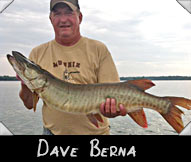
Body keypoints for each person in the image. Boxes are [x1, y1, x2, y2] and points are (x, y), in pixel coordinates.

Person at [18, 0, 127, 135]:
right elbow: (29, 104)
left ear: (79, 17)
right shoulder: (37, 53)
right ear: (51, 19)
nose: (63, 19)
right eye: (57, 14)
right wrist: (25, 83)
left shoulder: (99, 49)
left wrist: (113, 110)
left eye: (69, 13)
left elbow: (114, 94)